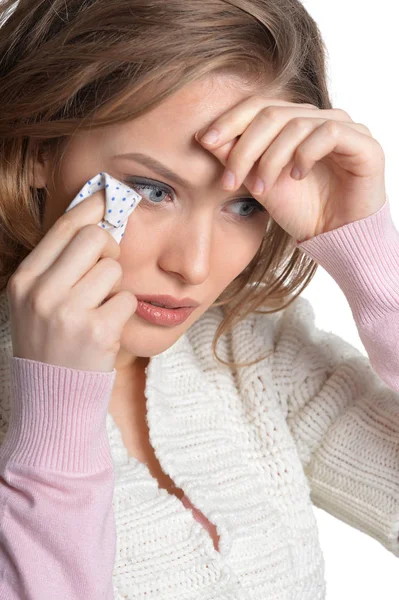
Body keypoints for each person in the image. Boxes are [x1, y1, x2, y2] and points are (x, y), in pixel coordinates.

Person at [0, 0, 398, 598]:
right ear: (36, 149)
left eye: (246, 206)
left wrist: (375, 265)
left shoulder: (247, 347)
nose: (194, 266)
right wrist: (54, 419)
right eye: (153, 189)